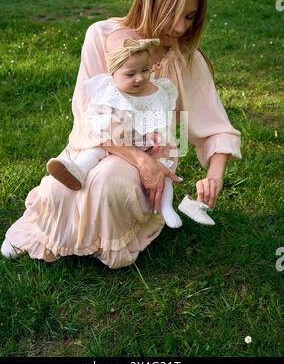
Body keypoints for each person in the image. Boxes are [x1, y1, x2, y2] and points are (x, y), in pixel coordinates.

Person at [1, 0, 241, 268]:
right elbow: (88, 114)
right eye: (173, 14)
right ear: (150, 1)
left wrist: (214, 176)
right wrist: (139, 161)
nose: (181, 28)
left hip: (152, 151)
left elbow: (216, 127)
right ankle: (47, 231)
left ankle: (108, 242)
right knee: (62, 188)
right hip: (98, 143)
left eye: (191, 16)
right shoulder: (102, 37)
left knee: (108, 181)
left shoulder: (186, 60)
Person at [46, 36, 186, 229]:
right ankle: (77, 170)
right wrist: (112, 128)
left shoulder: (156, 91)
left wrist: (156, 136)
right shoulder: (109, 91)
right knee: (94, 151)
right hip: (117, 143)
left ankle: (166, 207)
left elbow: (161, 119)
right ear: (113, 73)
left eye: (145, 70)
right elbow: (99, 119)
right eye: (130, 74)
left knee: (163, 170)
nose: (140, 78)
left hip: (145, 145)